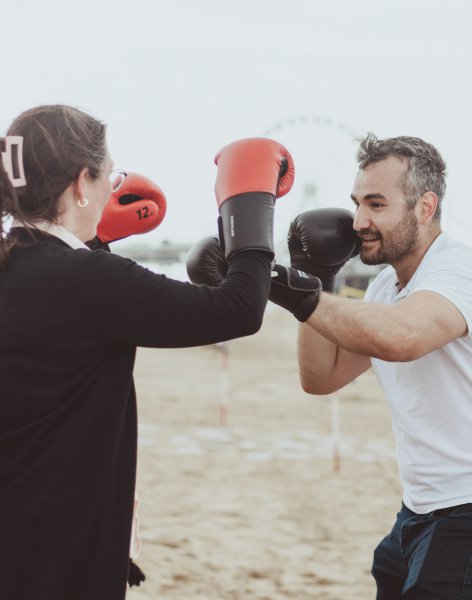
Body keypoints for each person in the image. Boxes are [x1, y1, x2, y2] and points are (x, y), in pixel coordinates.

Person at [189, 133, 472, 598]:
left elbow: (401, 336)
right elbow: (321, 377)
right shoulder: (384, 289)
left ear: (425, 206)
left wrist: (274, 280)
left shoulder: (464, 270)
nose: (359, 220)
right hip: (420, 509)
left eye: (376, 205)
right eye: (357, 203)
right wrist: (316, 278)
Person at [0, 104, 292, 599]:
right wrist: (248, 202)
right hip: (57, 552)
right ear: (80, 183)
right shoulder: (89, 282)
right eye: (108, 176)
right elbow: (238, 309)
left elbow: (71, 306)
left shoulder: (21, 266)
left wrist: (94, 240)